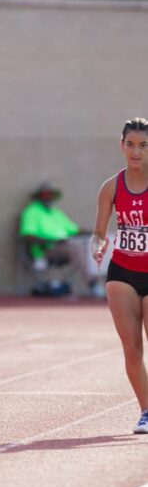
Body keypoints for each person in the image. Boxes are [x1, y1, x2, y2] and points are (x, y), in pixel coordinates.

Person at [92, 117, 148, 434]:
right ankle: (146, 410)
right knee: (131, 348)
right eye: (130, 145)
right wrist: (98, 247)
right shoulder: (111, 187)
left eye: (142, 145)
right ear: (121, 146)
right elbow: (99, 233)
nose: (135, 152)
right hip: (122, 272)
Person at [19, 182, 100, 295]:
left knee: (90, 245)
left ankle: (108, 280)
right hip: (44, 252)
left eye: (50, 195)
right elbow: (28, 237)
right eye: (45, 195)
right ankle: (93, 283)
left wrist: (97, 232)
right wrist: (54, 241)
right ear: (39, 196)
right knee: (74, 248)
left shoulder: (57, 213)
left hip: (64, 249)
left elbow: (74, 230)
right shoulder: (32, 211)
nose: (48, 198)